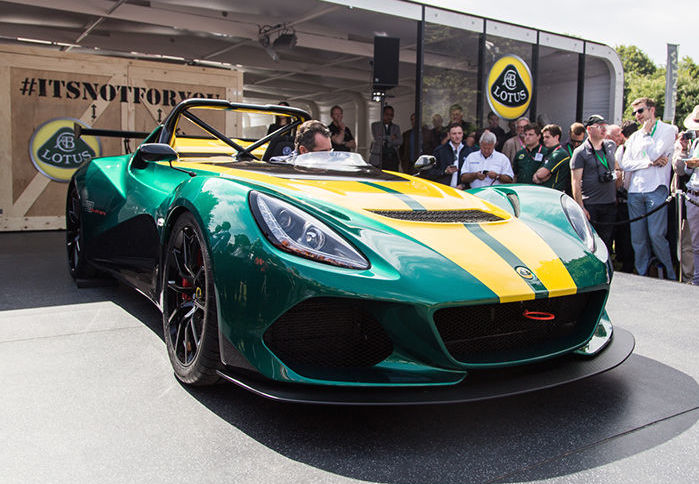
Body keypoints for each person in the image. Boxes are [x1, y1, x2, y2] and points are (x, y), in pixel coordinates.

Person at [618, 97, 677, 280]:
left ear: (652, 110)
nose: (637, 115)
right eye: (635, 112)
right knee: (638, 238)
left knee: (656, 235)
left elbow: (654, 153)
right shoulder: (635, 136)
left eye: (640, 111)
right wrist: (648, 163)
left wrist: (646, 141)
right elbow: (625, 164)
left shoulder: (668, 130)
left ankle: (670, 273)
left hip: (656, 189)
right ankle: (642, 274)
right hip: (635, 190)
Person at [570, 115, 618, 254]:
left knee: (607, 240)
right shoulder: (580, 152)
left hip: (609, 202)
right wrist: (581, 207)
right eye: (599, 127)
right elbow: (575, 181)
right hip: (591, 204)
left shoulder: (610, 146)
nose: (603, 130)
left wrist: (618, 175)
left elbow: (616, 166)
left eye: (605, 126)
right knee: (592, 242)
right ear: (589, 129)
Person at [673, 105, 699, 284]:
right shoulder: (695, 143)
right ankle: (696, 278)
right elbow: (684, 171)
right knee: (694, 243)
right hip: (693, 194)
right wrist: (683, 150)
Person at [607, 122, 637, 273]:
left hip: (634, 194)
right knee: (622, 233)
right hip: (621, 195)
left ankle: (630, 263)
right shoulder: (621, 149)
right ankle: (622, 260)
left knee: (631, 232)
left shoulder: (635, 148)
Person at [422, 122, 473, 188]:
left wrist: (463, 185)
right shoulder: (440, 151)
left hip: (462, 191)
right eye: (454, 134)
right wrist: (445, 171)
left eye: (459, 133)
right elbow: (430, 172)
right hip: (444, 190)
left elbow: (472, 173)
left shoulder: (469, 151)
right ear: (449, 135)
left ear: (462, 134)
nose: (457, 136)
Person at [532, 124, 571, 194]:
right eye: (543, 137)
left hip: (554, 194)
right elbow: (536, 177)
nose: (544, 140)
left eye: (547, 137)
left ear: (556, 137)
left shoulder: (560, 153)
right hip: (544, 192)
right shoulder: (549, 152)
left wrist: (541, 177)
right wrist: (542, 176)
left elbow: (540, 175)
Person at [370, 105, 402, 170]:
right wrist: (391, 138)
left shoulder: (396, 127)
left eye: (391, 115)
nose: (389, 117)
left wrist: (384, 138)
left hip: (392, 158)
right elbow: (378, 139)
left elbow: (400, 141)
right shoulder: (375, 125)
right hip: (378, 157)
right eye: (387, 114)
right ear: (382, 114)